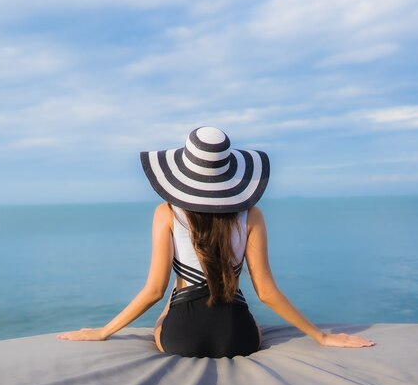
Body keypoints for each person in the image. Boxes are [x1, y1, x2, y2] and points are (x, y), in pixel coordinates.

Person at [57, 127, 375, 357]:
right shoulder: (252, 216)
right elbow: (266, 292)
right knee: (245, 315)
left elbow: (154, 290)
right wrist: (320, 336)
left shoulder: (166, 213)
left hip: (183, 336)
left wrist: (102, 332)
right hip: (239, 337)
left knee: (169, 302)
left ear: (184, 170)